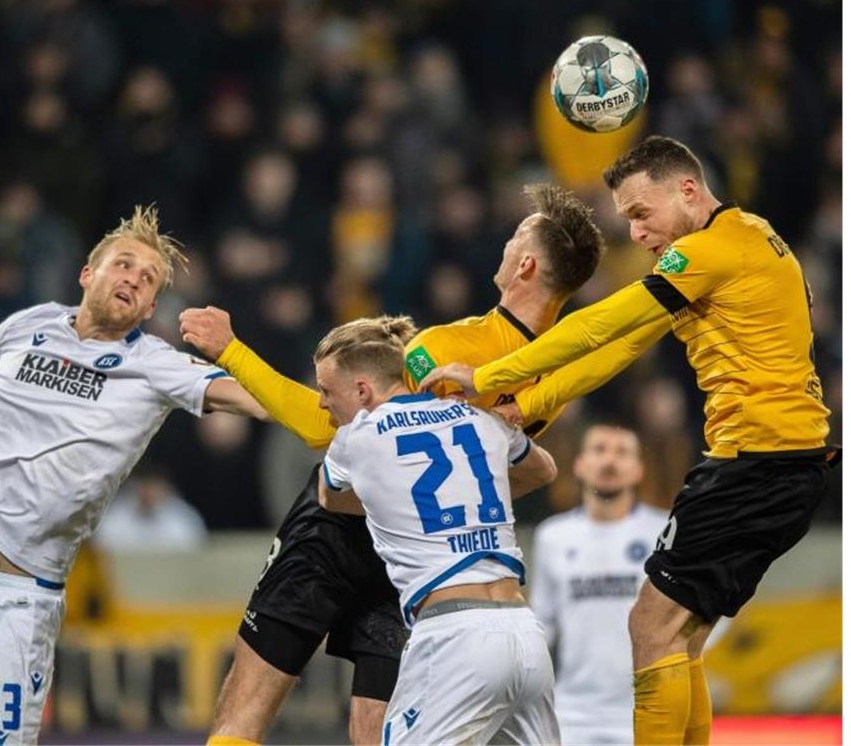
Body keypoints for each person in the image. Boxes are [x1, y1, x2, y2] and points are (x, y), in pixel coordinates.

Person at [180, 184, 670, 745]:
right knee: (375, 733)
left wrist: (233, 353)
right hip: (437, 563)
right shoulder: (549, 380)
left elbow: (334, 428)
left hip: (342, 532)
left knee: (246, 709)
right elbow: (541, 461)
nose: (505, 246)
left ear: (526, 263)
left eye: (514, 239)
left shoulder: (446, 350)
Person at [419, 136, 837, 745]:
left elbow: (602, 323)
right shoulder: (743, 240)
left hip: (756, 463)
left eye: (642, 213)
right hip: (777, 464)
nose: (637, 233)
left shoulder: (711, 250)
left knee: (650, 627)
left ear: (687, 190)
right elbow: (623, 348)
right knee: (679, 637)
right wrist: (527, 404)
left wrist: (487, 376)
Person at [0, 206, 269, 746]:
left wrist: (240, 354)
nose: (133, 277)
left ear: (152, 306)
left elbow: (262, 403)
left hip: (15, 605)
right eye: (123, 264)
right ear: (88, 273)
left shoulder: (157, 365)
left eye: (147, 278)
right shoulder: (28, 324)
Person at [314, 316, 560, 744]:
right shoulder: (476, 413)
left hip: (454, 638)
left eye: (325, 390)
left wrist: (395, 500)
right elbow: (544, 470)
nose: (322, 405)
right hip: (525, 637)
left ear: (361, 390)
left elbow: (329, 496)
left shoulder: (358, 438)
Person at [531, 422, 669, 745]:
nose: (609, 461)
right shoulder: (552, 536)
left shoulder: (663, 532)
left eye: (621, 452)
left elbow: (696, 614)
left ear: (638, 470)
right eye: (599, 450)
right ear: (580, 464)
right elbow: (542, 627)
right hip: (571, 713)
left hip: (646, 708)